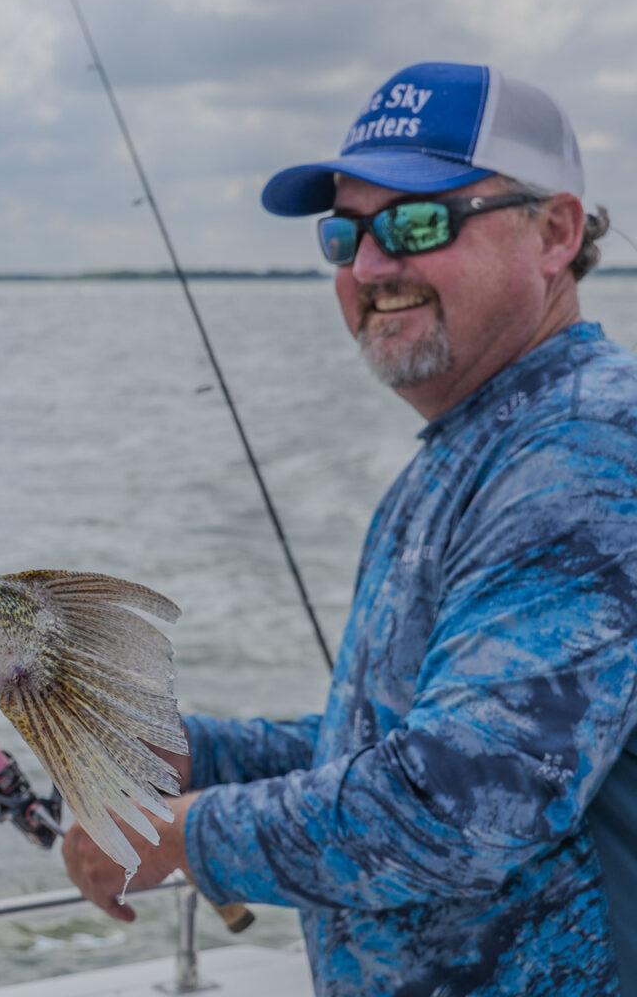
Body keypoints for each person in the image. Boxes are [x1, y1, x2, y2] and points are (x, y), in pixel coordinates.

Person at [61, 61, 637, 995]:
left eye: (418, 222)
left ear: (556, 233)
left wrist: (182, 833)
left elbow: (461, 800)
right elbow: (400, 741)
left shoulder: (585, 449)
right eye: (345, 234)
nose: (371, 267)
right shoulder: (483, 441)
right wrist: (195, 754)